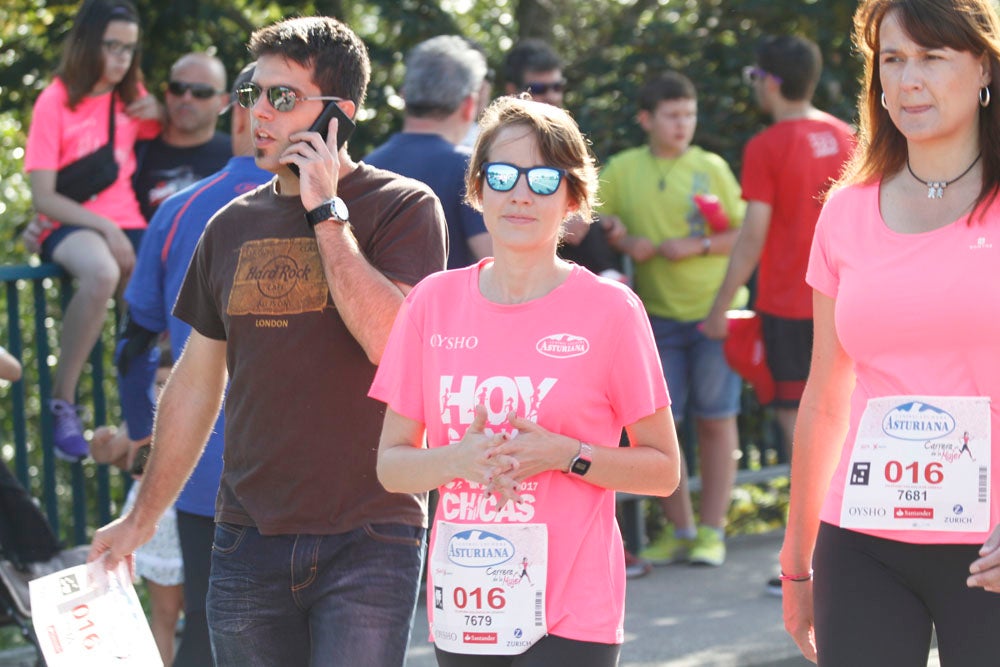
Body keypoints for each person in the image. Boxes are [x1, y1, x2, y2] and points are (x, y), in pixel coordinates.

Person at [88, 15, 447, 667]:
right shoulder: (229, 225)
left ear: (342, 112)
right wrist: (140, 518)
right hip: (246, 537)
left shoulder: (404, 206)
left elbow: (390, 342)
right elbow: (196, 384)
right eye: (254, 93)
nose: (260, 112)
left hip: (369, 535)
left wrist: (325, 214)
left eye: (283, 98)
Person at [370, 95, 681, 666]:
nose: (520, 193)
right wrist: (457, 460)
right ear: (478, 188)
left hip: (572, 614)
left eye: (542, 178)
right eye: (503, 175)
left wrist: (567, 455)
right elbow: (391, 465)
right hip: (466, 610)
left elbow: (663, 470)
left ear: (571, 198)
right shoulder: (431, 303)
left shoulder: (611, 310)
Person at [780, 1, 1000, 664]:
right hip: (862, 539)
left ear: (985, 66)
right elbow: (824, 398)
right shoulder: (845, 212)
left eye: (932, 57)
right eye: (893, 59)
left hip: (990, 547)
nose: (907, 81)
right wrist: (796, 562)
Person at [114, 60, 270, 667]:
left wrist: (143, 444)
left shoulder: (181, 210)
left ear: (232, 109)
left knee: (208, 635)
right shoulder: (342, 211)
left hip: (199, 468)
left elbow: (132, 348)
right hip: (311, 475)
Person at [601, 71, 746, 568]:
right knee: (661, 429)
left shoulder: (711, 166)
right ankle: (682, 531)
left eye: (689, 113)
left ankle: (712, 531)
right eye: (673, 115)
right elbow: (593, 219)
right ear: (647, 119)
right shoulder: (622, 169)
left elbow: (745, 234)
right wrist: (618, 236)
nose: (683, 123)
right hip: (654, 318)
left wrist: (698, 246)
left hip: (712, 313)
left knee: (717, 419)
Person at [702, 35, 855, 460]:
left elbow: (752, 236)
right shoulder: (848, 138)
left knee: (795, 414)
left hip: (788, 304)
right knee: (846, 410)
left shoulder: (766, 146)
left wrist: (719, 310)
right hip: (845, 302)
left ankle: (814, 519)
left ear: (769, 82)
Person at [23, 0, 162, 462]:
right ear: (87, 43)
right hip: (71, 223)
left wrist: (158, 111)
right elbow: (44, 197)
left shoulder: (131, 98)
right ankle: (63, 403)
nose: (121, 58)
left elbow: (161, 132)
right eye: (111, 46)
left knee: (162, 297)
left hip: (130, 224)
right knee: (102, 273)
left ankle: (144, 424)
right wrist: (106, 226)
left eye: (129, 48)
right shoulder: (55, 100)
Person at [366, 35, 492, 268]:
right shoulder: (468, 169)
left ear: (404, 96)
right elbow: (499, 264)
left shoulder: (366, 168)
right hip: (446, 305)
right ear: (468, 105)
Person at [90, 355, 182, 667]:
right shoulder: (141, 419)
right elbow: (111, 453)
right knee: (165, 614)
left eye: (170, 382)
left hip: (196, 520)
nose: (162, 390)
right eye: (157, 383)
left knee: (205, 609)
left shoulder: (202, 413)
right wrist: (99, 442)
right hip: (157, 524)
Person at [132, 52, 232, 221]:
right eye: (178, 88)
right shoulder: (136, 151)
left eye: (201, 92)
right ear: (167, 93)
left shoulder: (237, 157)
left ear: (223, 102)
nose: (186, 98)